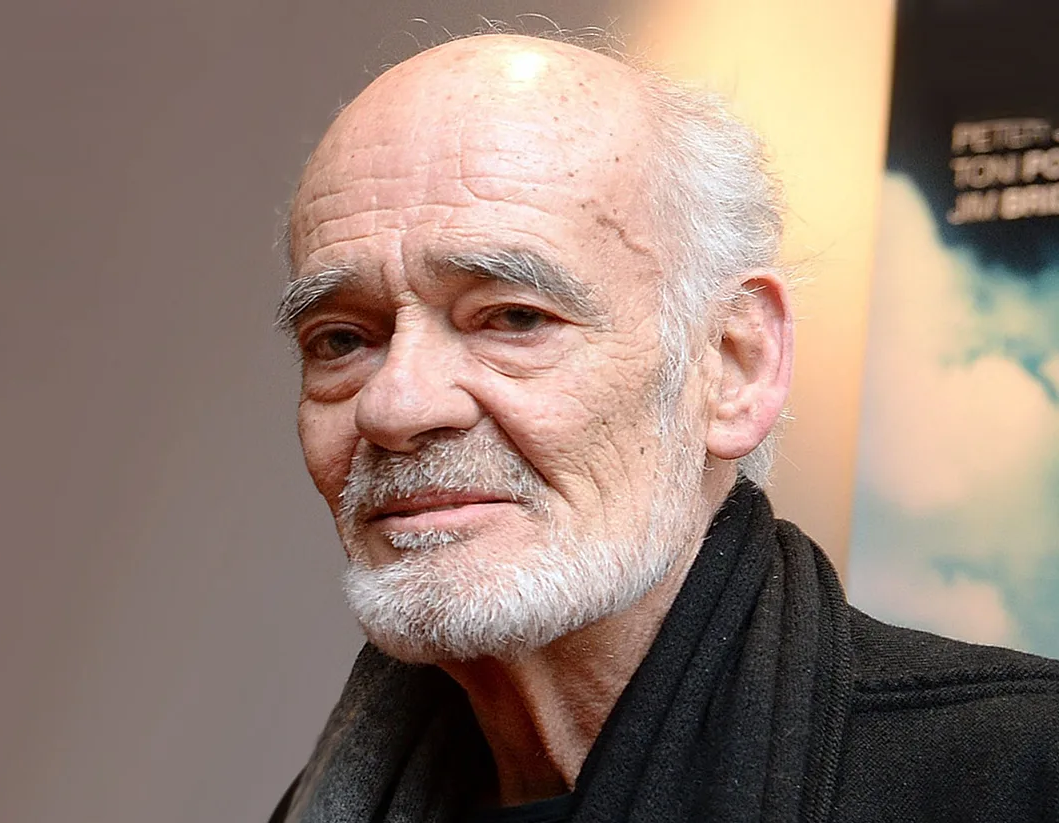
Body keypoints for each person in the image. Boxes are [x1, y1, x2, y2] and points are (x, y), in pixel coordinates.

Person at [269, 32, 1059, 823]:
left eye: (513, 317)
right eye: (340, 339)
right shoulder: (325, 800)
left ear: (734, 365)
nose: (394, 406)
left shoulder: (1019, 778)